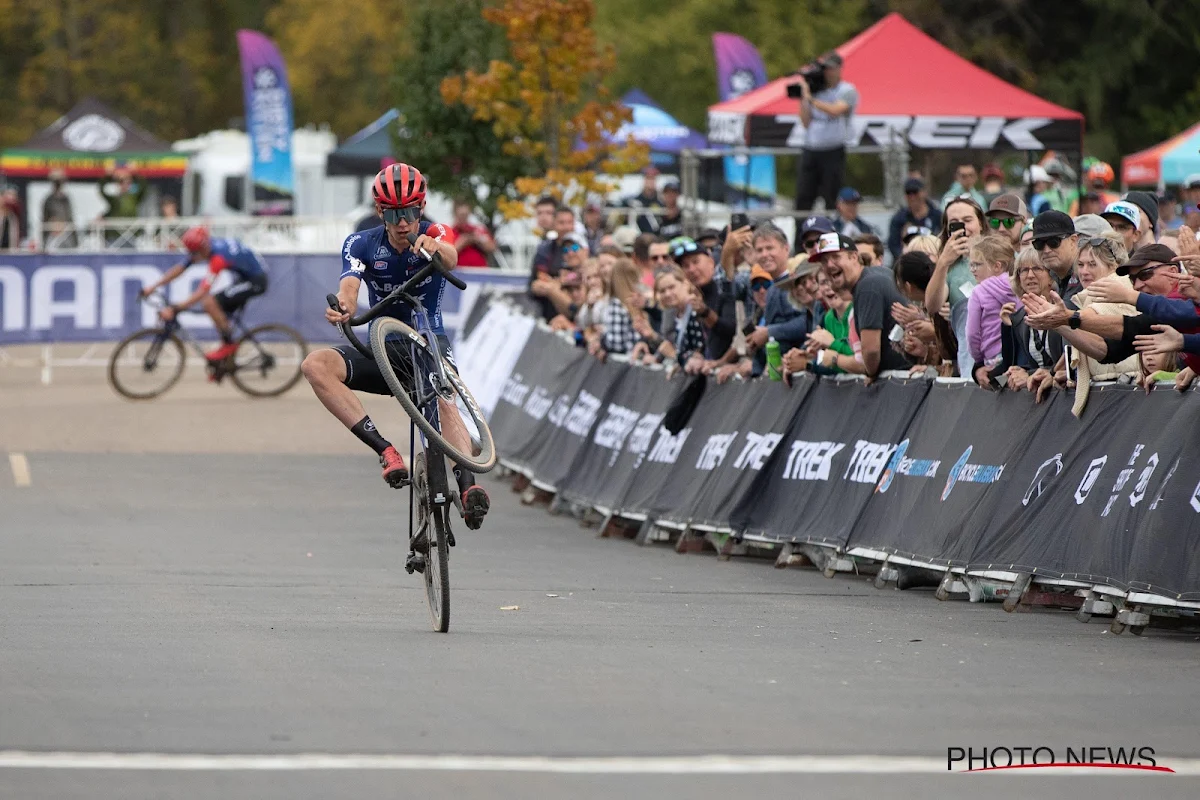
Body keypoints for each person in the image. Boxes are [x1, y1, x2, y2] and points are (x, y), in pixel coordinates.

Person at [300, 163, 489, 530]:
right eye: (393, 214)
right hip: (385, 347)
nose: (403, 222)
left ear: (421, 207)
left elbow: (451, 256)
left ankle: (469, 489)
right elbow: (349, 288)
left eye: (410, 212)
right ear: (379, 212)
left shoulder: (435, 231)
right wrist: (343, 308)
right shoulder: (361, 243)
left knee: (442, 395)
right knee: (314, 365)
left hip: (428, 341)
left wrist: (436, 248)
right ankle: (385, 450)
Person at [137, 225, 268, 369]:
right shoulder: (206, 247)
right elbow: (180, 268)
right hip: (245, 276)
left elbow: (203, 291)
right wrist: (154, 286)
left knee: (210, 303)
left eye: (194, 253)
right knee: (216, 307)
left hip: (256, 281)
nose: (192, 256)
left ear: (202, 249)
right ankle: (226, 354)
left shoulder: (218, 257)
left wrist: (177, 308)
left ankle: (229, 345)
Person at [816, 232, 911, 377]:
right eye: (824, 261)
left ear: (854, 257)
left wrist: (836, 359)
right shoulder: (876, 275)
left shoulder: (867, 287)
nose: (829, 265)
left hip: (903, 380)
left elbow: (871, 351)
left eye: (836, 257)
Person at [1064, 232, 1138, 415]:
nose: (1084, 271)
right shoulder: (1089, 297)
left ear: (1112, 266)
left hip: (1125, 395)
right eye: (1080, 265)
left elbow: (1099, 314)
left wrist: (1062, 318)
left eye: (1092, 264)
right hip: (1110, 394)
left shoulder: (1121, 289)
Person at [926, 196, 986, 378]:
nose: (963, 227)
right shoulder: (949, 269)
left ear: (981, 224)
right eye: (954, 223)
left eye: (968, 220)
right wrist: (944, 261)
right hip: (970, 365)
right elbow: (932, 305)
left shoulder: (1003, 257)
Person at [995, 247, 1064, 398]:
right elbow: (1021, 363)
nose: (1030, 275)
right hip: (1041, 397)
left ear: (1051, 276)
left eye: (1037, 268)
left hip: (1064, 392)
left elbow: (1068, 360)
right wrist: (1017, 372)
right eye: (1024, 270)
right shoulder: (1018, 318)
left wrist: (1028, 375)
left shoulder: (1063, 309)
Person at [793, 52, 859, 212]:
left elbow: (836, 110)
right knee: (803, 197)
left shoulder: (847, 90)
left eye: (831, 68)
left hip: (833, 150)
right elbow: (805, 122)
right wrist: (804, 96)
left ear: (839, 69)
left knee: (832, 196)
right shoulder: (815, 90)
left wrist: (812, 100)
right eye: (825, 69)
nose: (827, 72)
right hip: (811, 149)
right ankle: (800, 234)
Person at [672, 239, 738, 375]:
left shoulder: (726, 290)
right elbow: (688, 344)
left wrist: (705, 312)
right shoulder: (693, 299)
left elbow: (732, 331)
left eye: (696, 262)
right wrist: (691, 358)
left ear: (711, 261)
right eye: (685, 265)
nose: (691, 269)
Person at [964, 236, 1018, 386]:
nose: (972, 270)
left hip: (992, 361)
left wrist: (978, 360)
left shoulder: (979, 292)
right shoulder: (1019, 287)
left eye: (977, 265)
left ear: (997, 266)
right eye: (971, 265)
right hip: (1017, 357)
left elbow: (972, 333)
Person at [631, 266, 707, 368]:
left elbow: (699, 354)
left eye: (672, 287)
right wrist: (652, 337)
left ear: (685, 284)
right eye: (662, 291)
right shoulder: (675, 314)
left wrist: (675, 357)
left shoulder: (696, 311)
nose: (667, 294)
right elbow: (671, 347)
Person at [1030, 210, 1082, 305]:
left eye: (1053, 242)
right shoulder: (1051, 276)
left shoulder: (1086, 272)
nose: (1046, 250)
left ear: (1073, 241)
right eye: (1039, 244)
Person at [888, 177, 941, 259]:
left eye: (915, 192)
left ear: (924, 192)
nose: (912, 197)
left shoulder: (937, 216)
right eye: (908, 193)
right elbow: (894, 246)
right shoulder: (899, 219)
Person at [450, 199, 495, 268]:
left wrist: (478, 240)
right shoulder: (450, 232)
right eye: (461, 215)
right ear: (455, 213)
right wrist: (462, 242)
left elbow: (491, 247)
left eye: (466, 215)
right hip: (458, 273)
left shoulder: (477, 230)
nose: (464, 218)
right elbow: (447, 254)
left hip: (480, 272)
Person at [41, 168, 75, 248]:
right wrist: (52, 226)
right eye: (55, 181)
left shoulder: (66, 199)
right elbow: (45, 218)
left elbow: (69, 217)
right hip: (52, 236)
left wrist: (64, 226)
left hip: (66, 234)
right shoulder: (49, 200)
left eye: (60, 181)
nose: (58, 184)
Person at [624, 166, 663, 233]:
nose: (650, 182)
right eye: (648, 178)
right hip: (637, 236)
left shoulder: (661, 202)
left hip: (656, 236)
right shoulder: (634, 201)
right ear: (644, 180)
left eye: (653, 178)